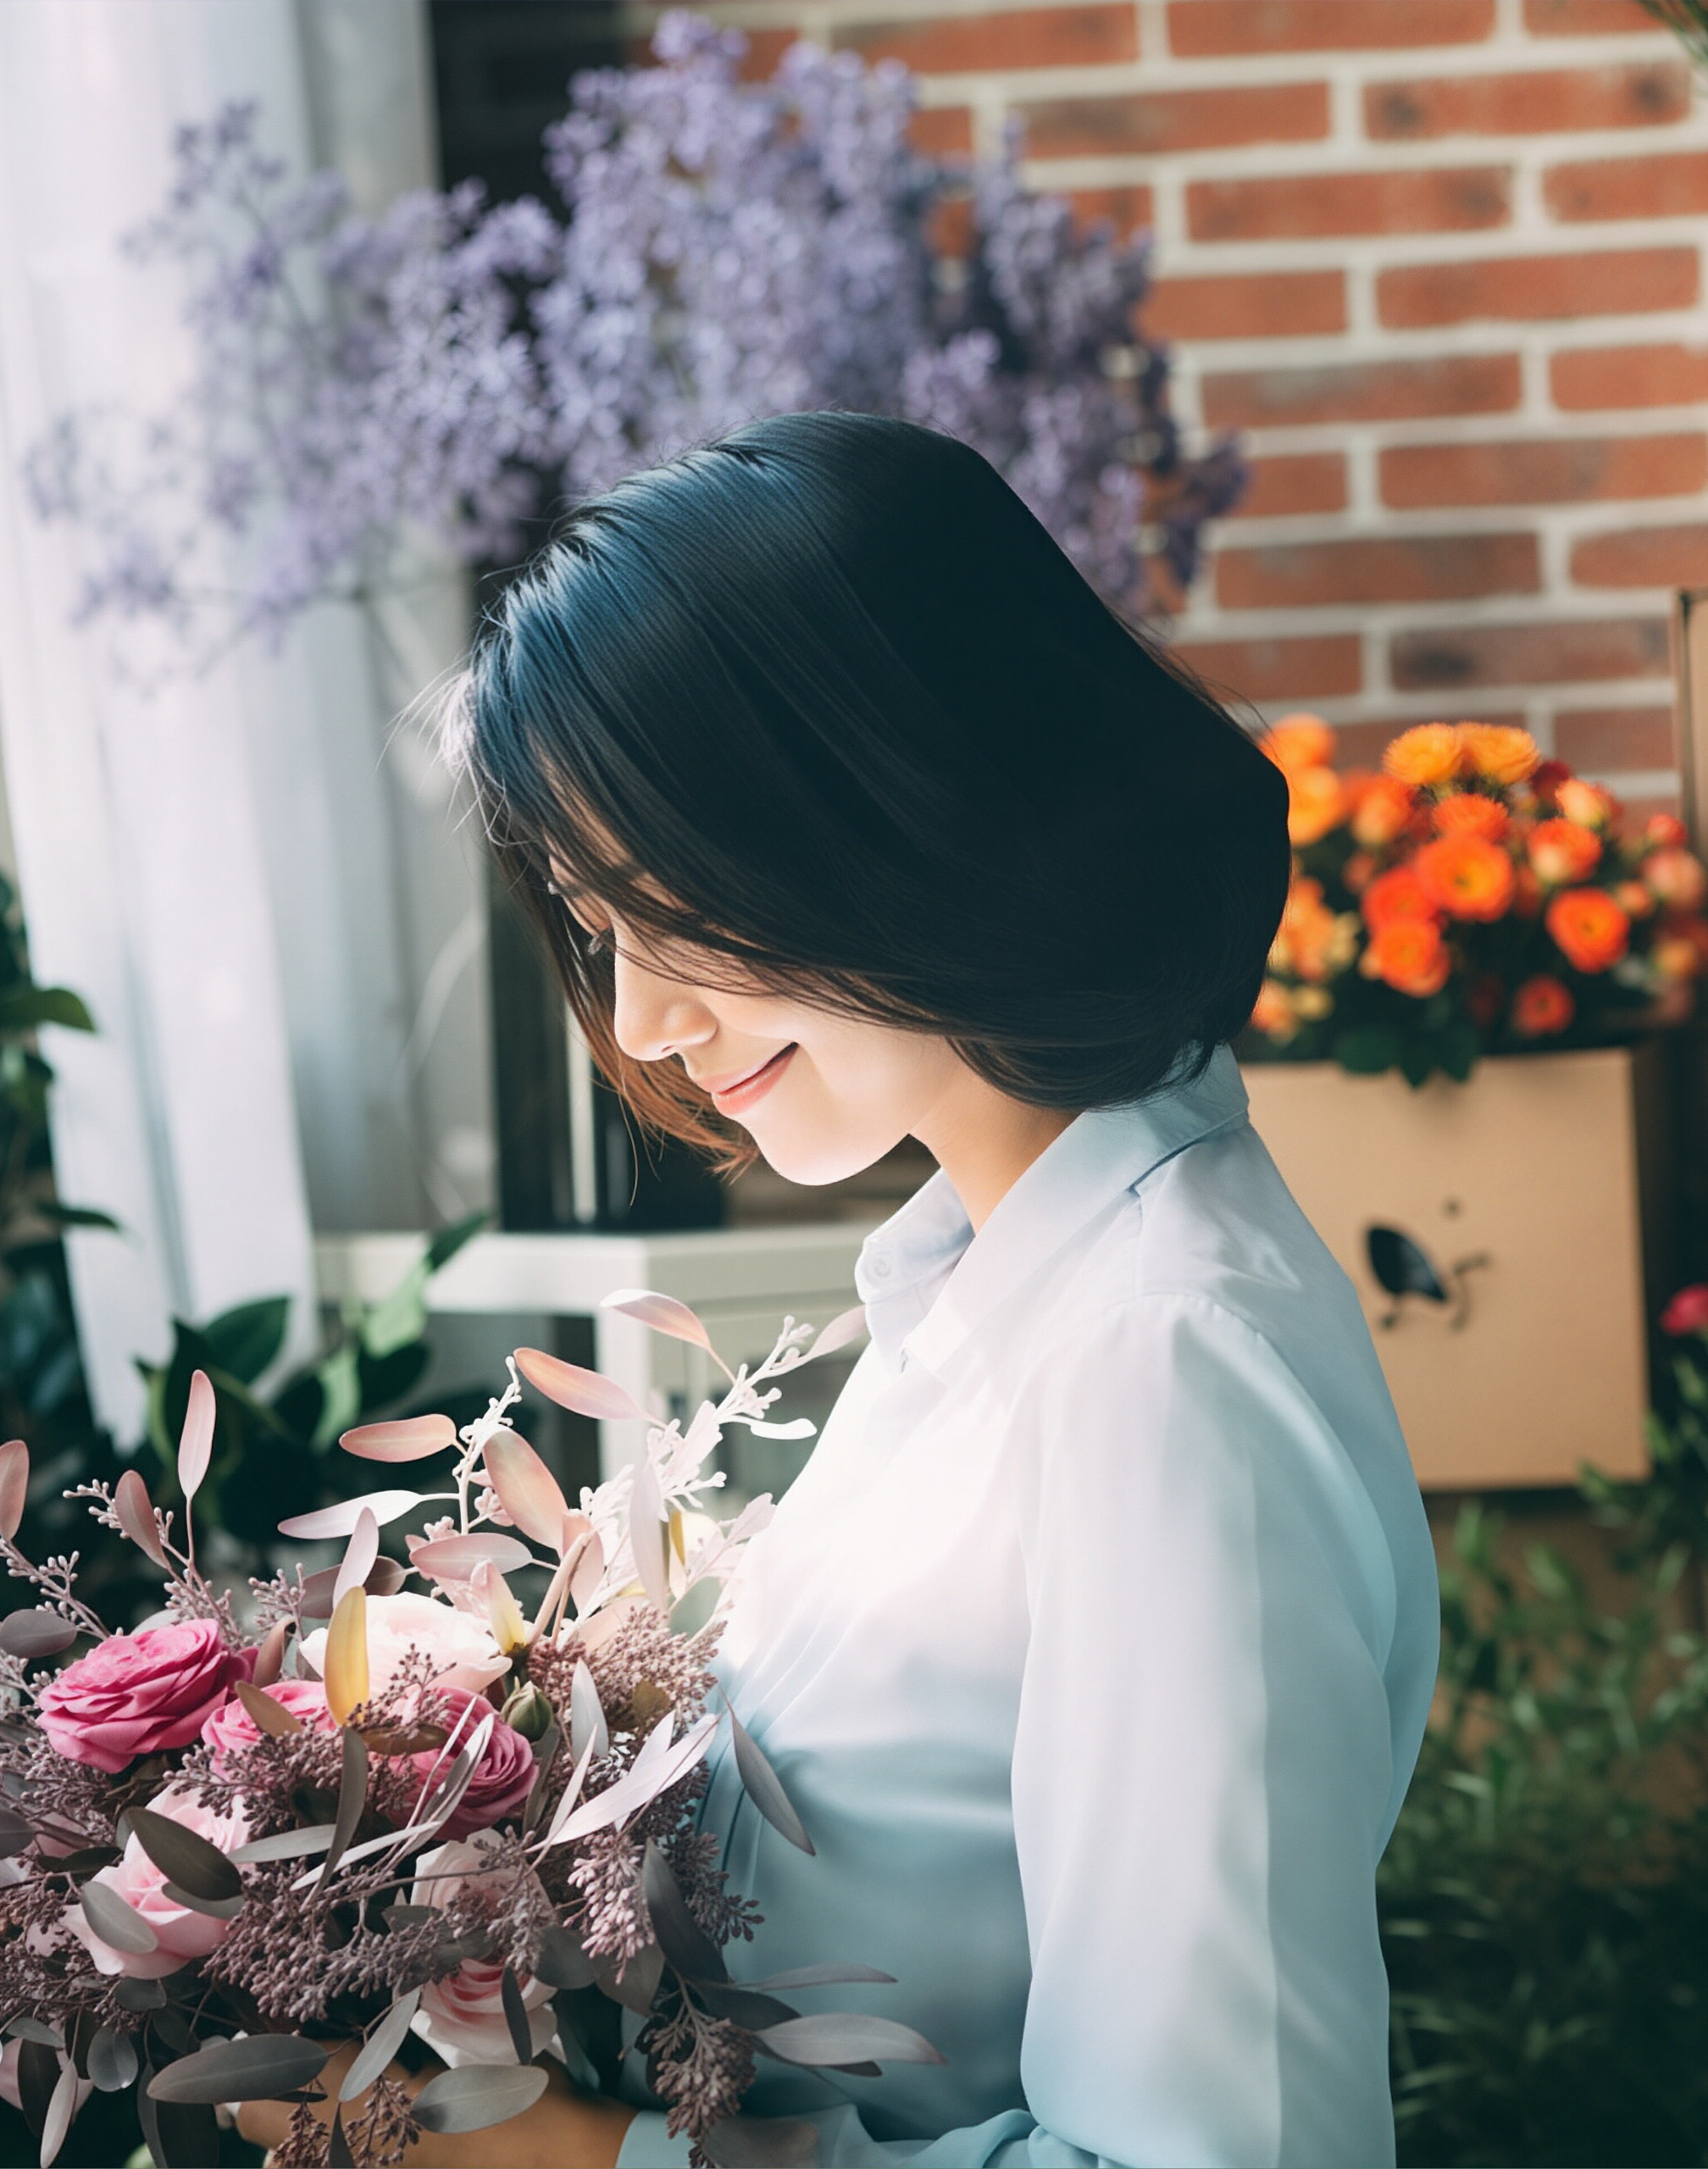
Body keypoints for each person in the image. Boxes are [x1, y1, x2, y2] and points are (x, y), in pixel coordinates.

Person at [248, 412, 1438, 2166]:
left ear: (897, 792)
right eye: (598, 923)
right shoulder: (983, 1281)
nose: (642, 1020)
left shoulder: (1159, 1361)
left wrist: (590, 2160)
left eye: (673, 904)